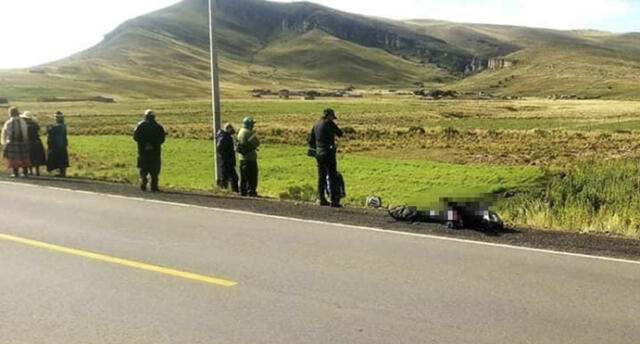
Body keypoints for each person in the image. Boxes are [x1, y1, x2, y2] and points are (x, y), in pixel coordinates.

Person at [309, 108, 344, 207]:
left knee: (321, 176)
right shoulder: (330, 123)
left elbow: (311, 140)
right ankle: (334, 200)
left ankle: (321, 199)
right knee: (332, 176)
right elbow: (340, 133)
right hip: (328, 152)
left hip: (319, 152)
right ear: (329, 116)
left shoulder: (316, 124)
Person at [134, 109, 166, 192]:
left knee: (143, 167)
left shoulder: (140, 125)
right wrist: (154, 144)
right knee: (155, 168)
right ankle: (154, 186)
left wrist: (145, 144)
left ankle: (143, 180)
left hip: (142, 150)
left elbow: (136, 137)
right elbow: (162, 138)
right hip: (155, 151)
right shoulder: (158, 126)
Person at [1, 107, 31, 177]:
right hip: (23, 142)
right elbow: (25, 132)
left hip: (12, 142)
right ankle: (25, 172)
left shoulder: (9, 122)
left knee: (13, 158)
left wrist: (4, 141)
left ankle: (15, 173)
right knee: (24, 157)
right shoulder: (23, 121)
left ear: (11, 113)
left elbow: (5, 132)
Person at [237, 116, 260, 197]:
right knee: (252, 177)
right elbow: (257, 142)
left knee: (243, 177)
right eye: (252, 124)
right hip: (250, 158)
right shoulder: (248, 133)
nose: (253, 125)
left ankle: (243, 191)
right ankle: (251, 192)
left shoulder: (240, 131)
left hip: (242, 158)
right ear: (249, 124)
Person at [21, 112, 47, 176]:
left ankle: (31, 171)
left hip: (29, 142)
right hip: (37, 142)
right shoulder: (35, 125)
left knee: (30, 157)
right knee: (37, 157)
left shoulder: (26, 126)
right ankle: (37, 171)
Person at [216, 123, 239, 193]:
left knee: (226, 177)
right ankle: (233, 191)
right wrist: (226, 158)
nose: (232, 129)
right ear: (227, 129)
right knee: (233, 177)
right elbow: (220, 149)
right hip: (227, 161)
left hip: (227, 161)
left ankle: (225, 190)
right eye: (231, 128)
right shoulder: (224, 138)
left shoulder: (226, 137)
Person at [47, 111, 70, 177]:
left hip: (58, 145)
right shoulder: (63, 125)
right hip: (62, 144)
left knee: (60, 159)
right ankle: (62, 173)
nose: (56, 119)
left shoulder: (59, 126)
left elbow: (50, 131)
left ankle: (62, 173)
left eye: (57, 117)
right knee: (62, 159)